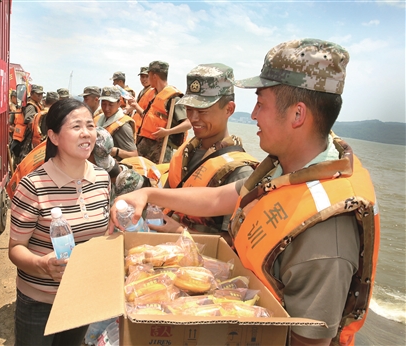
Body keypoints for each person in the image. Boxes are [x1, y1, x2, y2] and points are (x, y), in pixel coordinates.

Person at [109, 39, 379, 346]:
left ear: (297, 115)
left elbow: (308, 339)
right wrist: (148, 195)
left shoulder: (325, 233)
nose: (253, 115)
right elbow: (220, 197)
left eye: (261, 104)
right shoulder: (286, 169)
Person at [9, 98, 111, 346]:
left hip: (80, 297)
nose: (86, 133)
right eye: (76, 127)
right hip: (39, 302)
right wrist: (42, 264)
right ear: (54, 137)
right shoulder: (33, 185)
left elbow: (103, 233)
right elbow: (15, 249)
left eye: (90, 125)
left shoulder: (103, 178)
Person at [149, 63, 258, 245]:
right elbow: (166, 199)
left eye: (203, 111)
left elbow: (232, 244)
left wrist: (180, 231)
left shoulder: (239, 172)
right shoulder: (185, 152)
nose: (193, 118)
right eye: (189, 110)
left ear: (229, 109)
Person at [131, 61, 191, 163]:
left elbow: (188, 124)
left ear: (154, 76)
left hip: (160, 148)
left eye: (148, 76)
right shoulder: (154, 95)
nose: (148, 79)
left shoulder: (173, 98)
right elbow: (147, 117)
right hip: (145, 145)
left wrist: (167, 132)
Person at [95, 86, 138, 161]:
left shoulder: (123, 126)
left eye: (111, 105)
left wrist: (116, 151)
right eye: (104, 104)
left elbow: (134, 155)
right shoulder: (100, 118)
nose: (106, 108)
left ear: (119, 103)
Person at [11, 84, 44, 165]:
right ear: (32, 94)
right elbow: (30, 121)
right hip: (26, 139)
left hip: (22, 139)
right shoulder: (31, 106)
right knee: (23, 162)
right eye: (38, 94)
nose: (40, 97)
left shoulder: (34, 103)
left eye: (41, 94)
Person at [131, 66, 156, 135]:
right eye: (142, 77)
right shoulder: (143, 91)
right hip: (137, 127)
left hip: (144, 129)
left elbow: (148, 115)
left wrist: (136, 106)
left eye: (146, 76)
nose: (144, 79)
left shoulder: (154, 92)